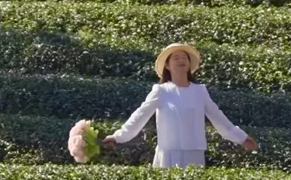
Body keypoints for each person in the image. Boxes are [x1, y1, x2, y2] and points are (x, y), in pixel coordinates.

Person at [102, 42, 257, 169]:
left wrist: (242, 138)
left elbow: (219, 118)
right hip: (168, 154)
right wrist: (118, 137)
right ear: (168, 66)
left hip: (194, 154)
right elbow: (139, 116)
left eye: (184, 58)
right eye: (176, 58)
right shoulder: (161, 91)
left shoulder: (200, 91)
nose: (181, 60)